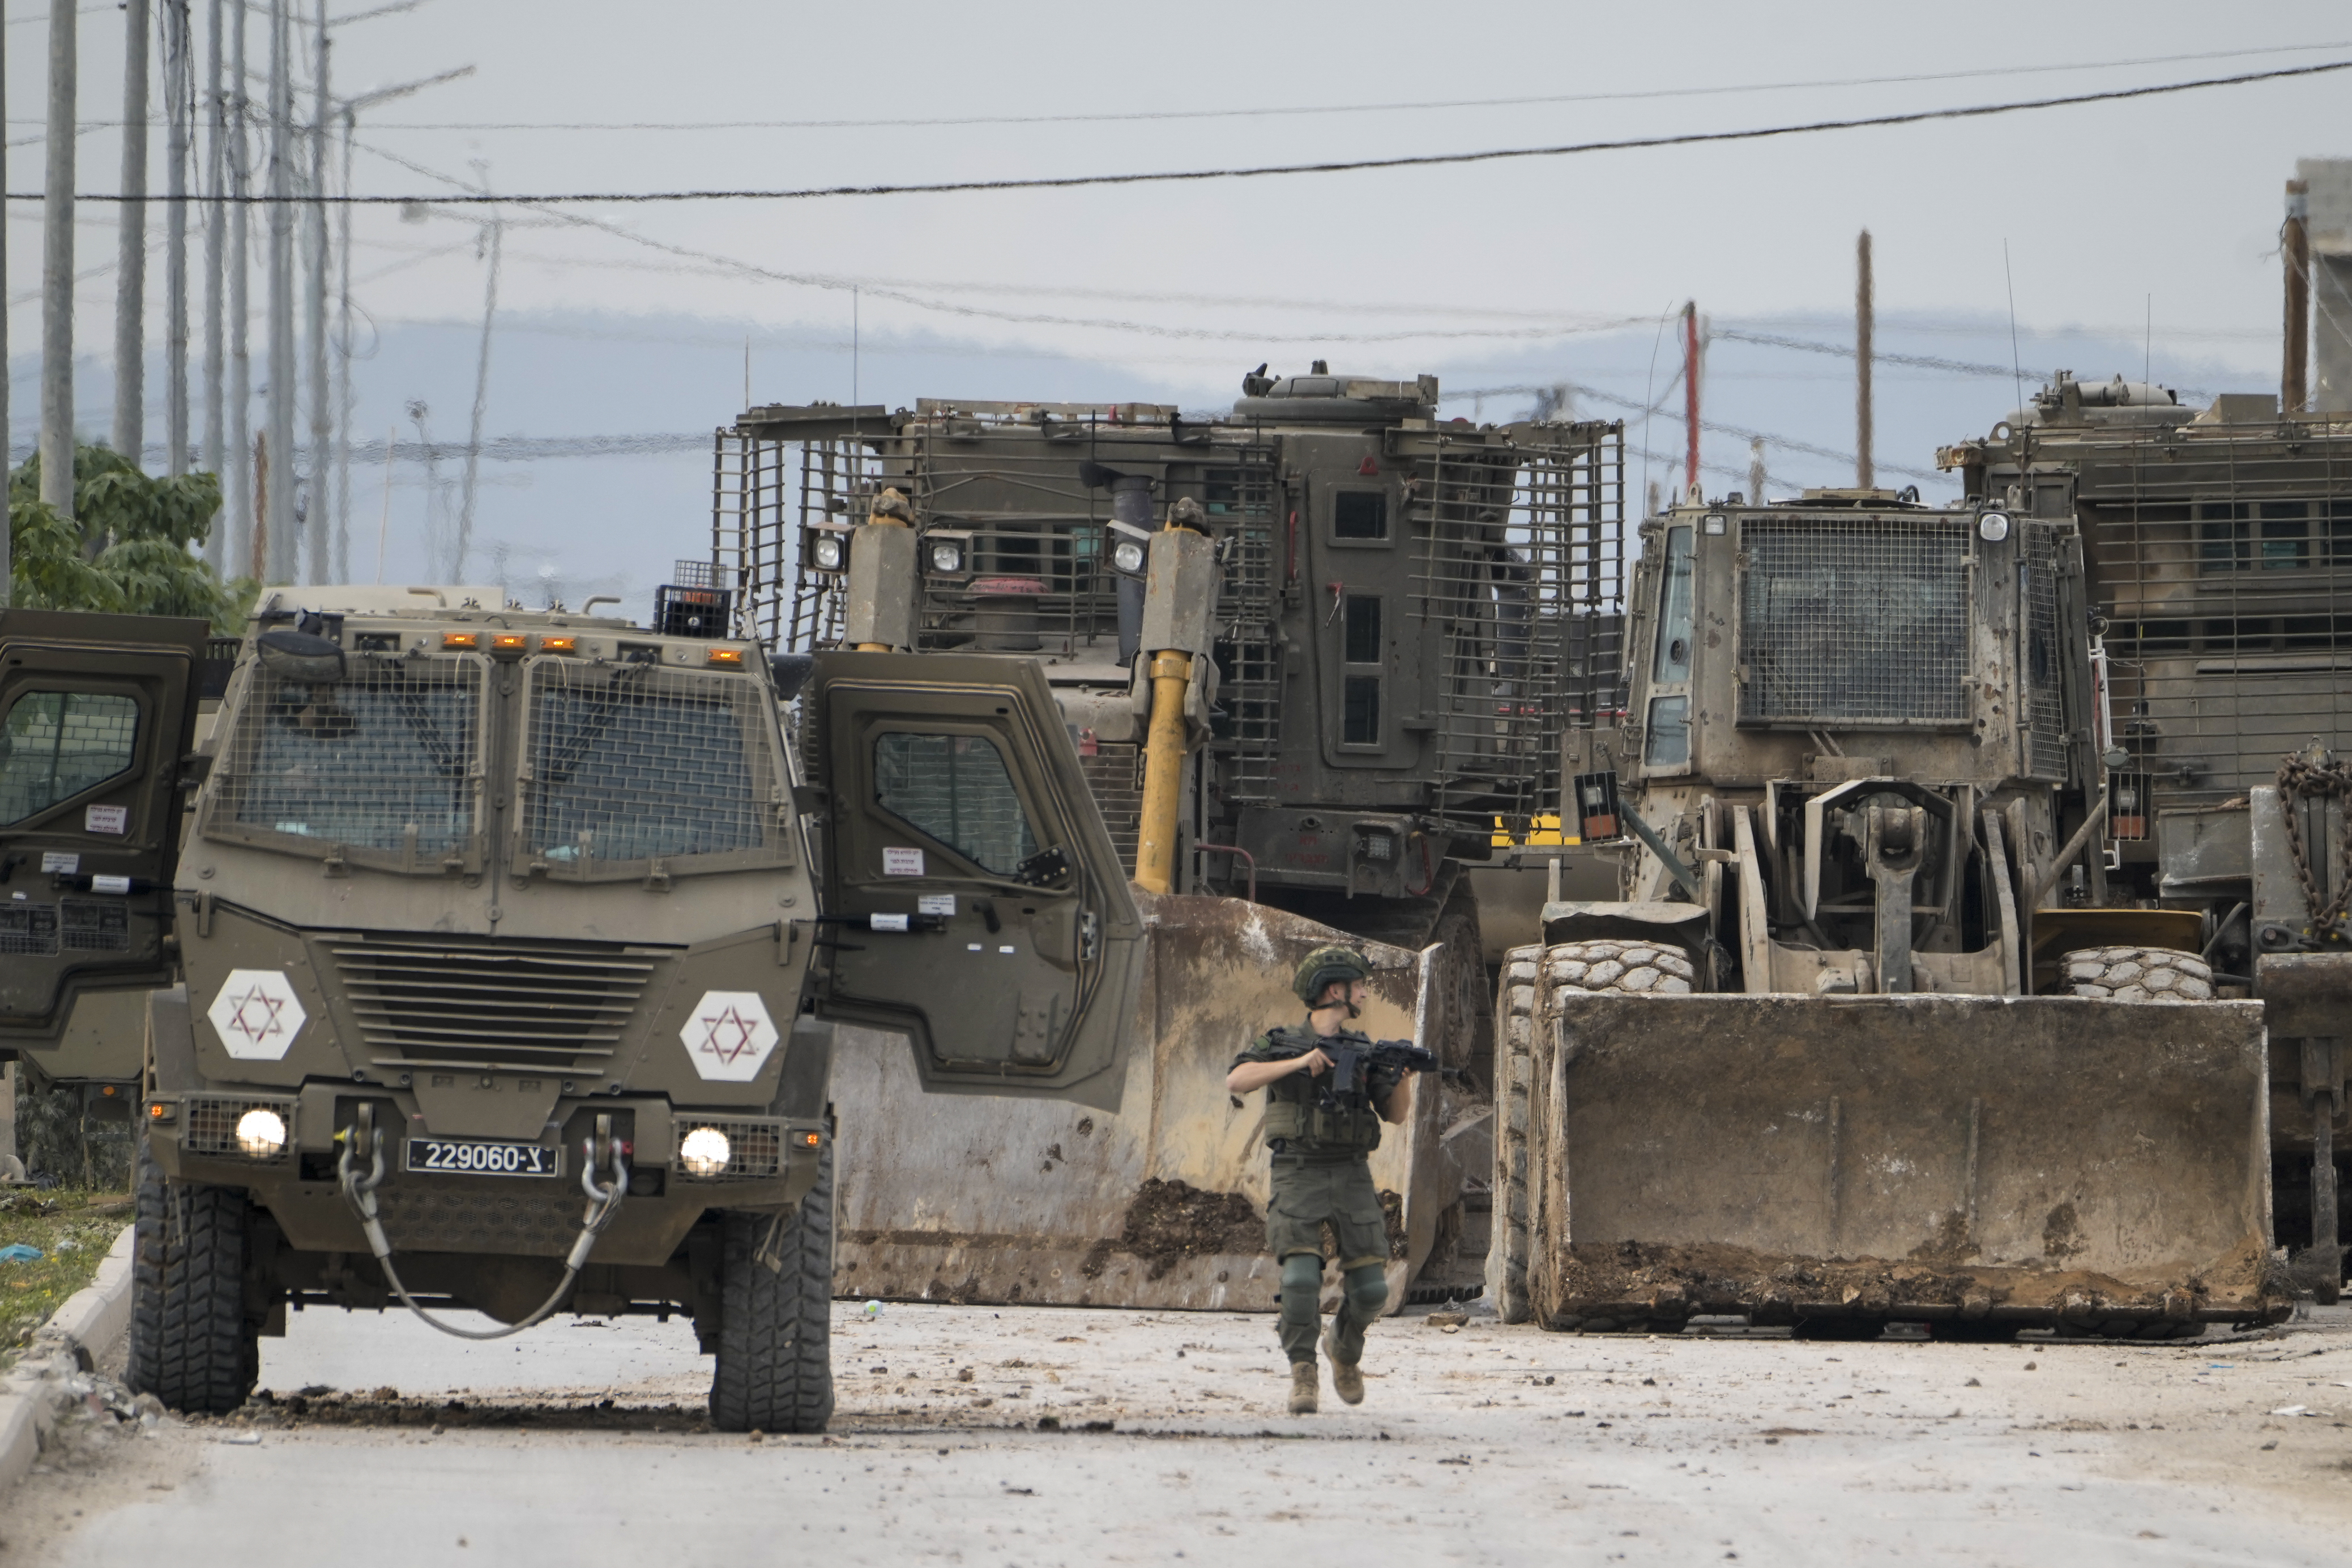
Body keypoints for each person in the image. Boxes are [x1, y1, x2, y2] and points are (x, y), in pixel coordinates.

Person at [1226, 945, 1413, 1415]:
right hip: (1298, 1171)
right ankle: (1303, 1370)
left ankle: (1343, 1349)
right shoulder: (1281, 1041)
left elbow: (1394, 1116)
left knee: (1372, 1288)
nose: (1365, 993)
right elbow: (1238, 1080)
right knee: (1301, 1279)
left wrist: (1402, 1077)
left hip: (1351, 1172)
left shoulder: (1364, 1049)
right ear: (1336, 990)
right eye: (1359, 986)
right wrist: (1300, 1063)